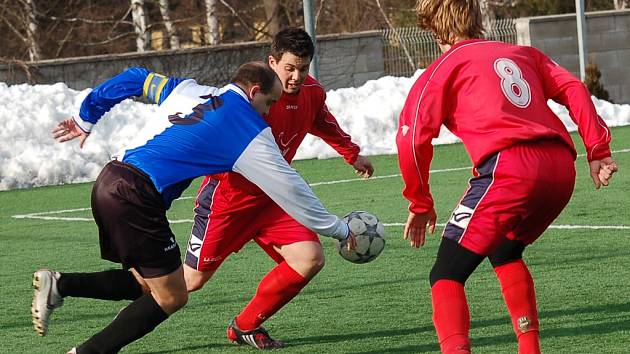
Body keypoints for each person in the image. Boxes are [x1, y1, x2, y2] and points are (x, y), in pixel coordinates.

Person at [32, 61, 356, 354]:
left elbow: (134, 78)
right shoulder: (247, 127)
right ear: (254, 91)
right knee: (173, 296)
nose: (269, 112)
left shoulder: (189, 90)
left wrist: (86, 116)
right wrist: (339, 229)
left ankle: (60, 284)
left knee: (148, 283)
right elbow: (291, 188)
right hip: (137, 195)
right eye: (269, 102)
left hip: (109, 180)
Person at [396, 1, 618, 354]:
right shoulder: (521, 52)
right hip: (561, 168)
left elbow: (411, 138)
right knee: (505, 250)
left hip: (510, 168)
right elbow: (574, 87)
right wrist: (598, 148)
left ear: (436, 30)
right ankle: (530, 348)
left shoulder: (442, 68)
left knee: (446, 274)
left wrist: (420, 201)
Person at [184, 27, 374, 349]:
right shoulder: (248, 98)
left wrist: (351, 153)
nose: (296, 76)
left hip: (273, 200)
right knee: (189, 282)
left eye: (302, 68)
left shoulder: (311, 92)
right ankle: (101, 286)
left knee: (309, 258)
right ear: (272, 62)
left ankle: (244, 326)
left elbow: (322, 120)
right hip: (230, 200)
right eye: (289, 68)